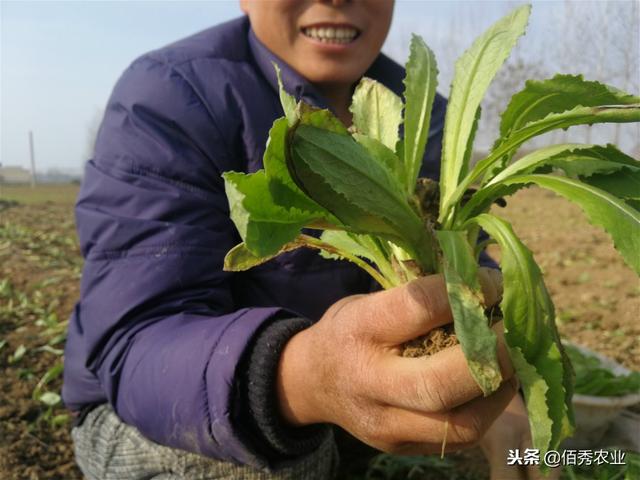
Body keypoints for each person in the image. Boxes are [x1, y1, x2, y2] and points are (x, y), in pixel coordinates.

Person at [63, 1, 544, 479]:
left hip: (343, 405)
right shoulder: (169, 95)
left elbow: (461, 264)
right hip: (155, 411)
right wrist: (307, 379)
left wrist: (495, 386)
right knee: (272, 466)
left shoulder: (422, 113)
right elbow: (138, 343)